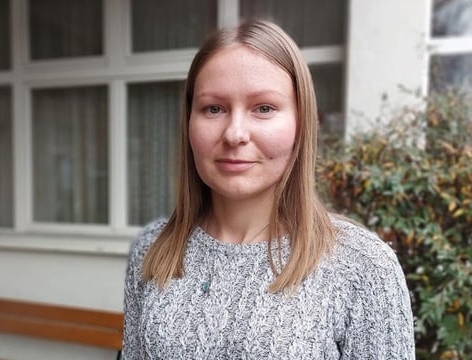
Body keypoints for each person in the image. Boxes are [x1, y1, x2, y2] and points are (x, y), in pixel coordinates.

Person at [123, 20, 415, 359]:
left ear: (301, 123)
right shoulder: (154, 249)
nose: (234, 134)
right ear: (189, 121)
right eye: (213, 108)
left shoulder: (362, 267)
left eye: (264, 108)